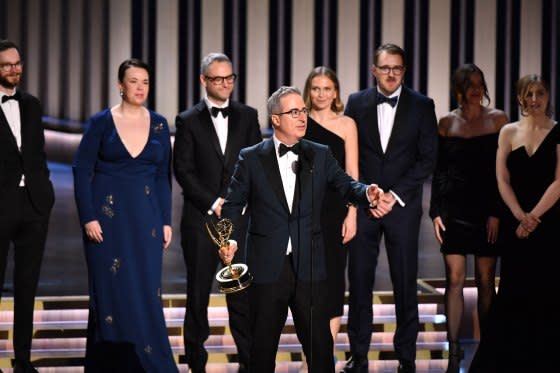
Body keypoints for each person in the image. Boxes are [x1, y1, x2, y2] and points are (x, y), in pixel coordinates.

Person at [219, 86, 383, 373]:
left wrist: (366, 193)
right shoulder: (251, 157)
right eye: (293, 112)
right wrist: (229, 239)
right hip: (267, 266)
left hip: (310, 265)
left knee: (320, 351)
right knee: (262, 351)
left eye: (303, 111)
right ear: (276, 119)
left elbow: (345, 185)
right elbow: (232, 205)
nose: (302, 117)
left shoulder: (320, 154)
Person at [73, 58, 177, 372]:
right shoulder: (101, 122)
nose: (140, 87)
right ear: (121, 85)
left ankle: (149, 361)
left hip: (145, 221)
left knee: (146, 290)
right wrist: (88, 216)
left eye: (145, 81)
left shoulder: (159, 123)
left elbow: (162, 176)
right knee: (110, 291)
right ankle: (110, 363)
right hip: (107, 222)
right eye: (133, 81)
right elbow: (81, 170)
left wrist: (166, 220)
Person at [341, 43, 439, 373]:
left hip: (402, 208)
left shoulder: (423, 105)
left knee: (405, 284)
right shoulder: (356, 102)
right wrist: (368, 194)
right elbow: (348, 155)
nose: (391, 73)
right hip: (365, 206)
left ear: (404, 70)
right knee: (358, 283)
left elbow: (428, 158)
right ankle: (358, 355)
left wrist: (392, 195)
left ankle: (406, 358)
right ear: (374, 70)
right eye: (385, 68)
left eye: (397, 68)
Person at [173, 52, 261, 373]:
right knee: (197, 298)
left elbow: (256, 165)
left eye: (230, 78)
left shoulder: (248, 116)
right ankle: (196, 364)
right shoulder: (188, 120)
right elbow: (183, 170)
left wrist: (236, 204)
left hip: (238, 223)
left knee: (240, 299)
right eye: (218, 79)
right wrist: (214, 202)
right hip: (200, 221)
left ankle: (249, 364)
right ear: (203, 80)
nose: (225, 84)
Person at [469, 75, 560, 373]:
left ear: (548, 96)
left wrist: (534, 216)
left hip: (549, 222)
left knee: (547, 290)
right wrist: (520, 216)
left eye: (540, 93)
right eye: (528, 94)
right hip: (516, 223)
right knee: (513, 289)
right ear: (520, 98)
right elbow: (501, 179)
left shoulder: (558, 132)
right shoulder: (508, 132)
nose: (535, 99)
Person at [429, 63, 508, 373]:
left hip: (488, 209)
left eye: (479, 82)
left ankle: (488, 350)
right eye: (469, 83)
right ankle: (453, 352)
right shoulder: (447, 123)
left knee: (487, 281)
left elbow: (503, 171)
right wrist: (436, 212)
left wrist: (497, 213)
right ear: (459, 89)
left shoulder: (499, 119)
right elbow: (439, 173)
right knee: (454, 280)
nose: (475, 88)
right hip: (455, 210)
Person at [0, 39, 55, 373]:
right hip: (0, 206)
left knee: (27, 285)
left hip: (34, 205)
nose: (14, 69)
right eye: (7, 65)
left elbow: (37, 153)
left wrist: (44, 194)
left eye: (17, 63)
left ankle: (23, 359)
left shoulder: (32, 104)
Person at [301, 66, 359, 370]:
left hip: (337, 210)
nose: (321, 94)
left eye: (327, 88)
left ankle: (322, 359)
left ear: (335, 92)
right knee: (307, 286)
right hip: (304, 212)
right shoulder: (298, 122)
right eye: (315, 88)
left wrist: (352, 213)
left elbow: (352, 174)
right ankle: (312, 357)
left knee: (335, 282)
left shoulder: (347, 124)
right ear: (308, 90)